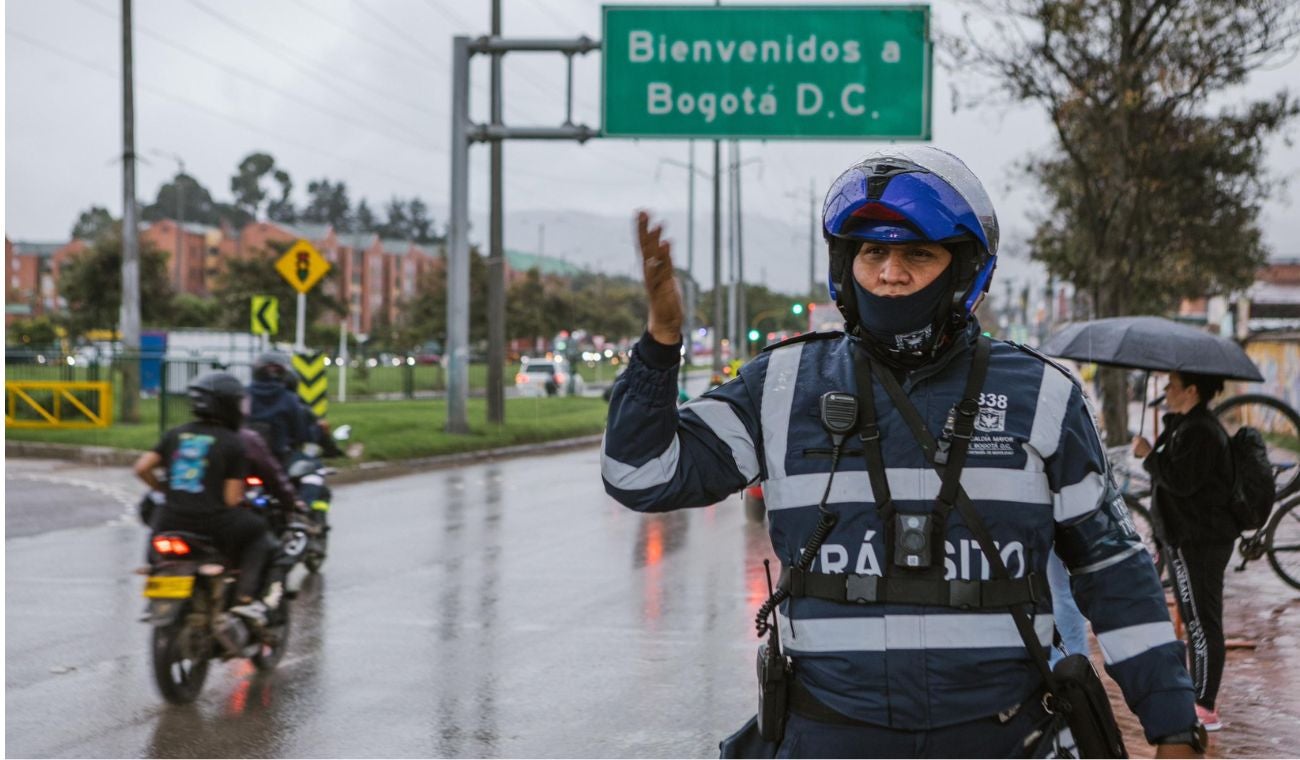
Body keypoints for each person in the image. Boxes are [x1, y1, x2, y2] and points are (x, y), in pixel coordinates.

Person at [603, 147, 1202, 757]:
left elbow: (1112, 569)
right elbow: (640, 473)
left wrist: (1174, 727)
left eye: (918, 253)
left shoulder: (1043, 394)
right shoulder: (782, 386)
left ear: (963, 269)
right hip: (828, 737)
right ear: (847, 264)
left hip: (1004, 737)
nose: (891, 274)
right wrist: (660, 345)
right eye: (873, 253)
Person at [1133, 371, 1234, 732]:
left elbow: (1181, 481)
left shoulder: (1201, 431)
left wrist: (1149, 455)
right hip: (1185, 538)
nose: (1165, 390)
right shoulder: (1187, 425)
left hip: (1198, 542)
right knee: (1194, 621)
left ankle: (1204, 705)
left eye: (1172, 386)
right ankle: (1198, 695)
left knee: (1202, 623)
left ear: (1191, 390)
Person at [133, 371, 277, 625]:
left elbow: (142, 468)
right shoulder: (233, 443)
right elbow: (231, 499)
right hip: (213, 524)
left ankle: (154, 572)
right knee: (259, 534)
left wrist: (165, 489)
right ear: (228, 405)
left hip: (169, 521)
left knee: (157, 527)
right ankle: (245, 598)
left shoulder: (175, 434)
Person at [247, 351, 311, 465]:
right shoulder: (290, 399)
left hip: (246, 457)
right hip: (280, 459)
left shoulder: (243, 395)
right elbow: (300, 433)